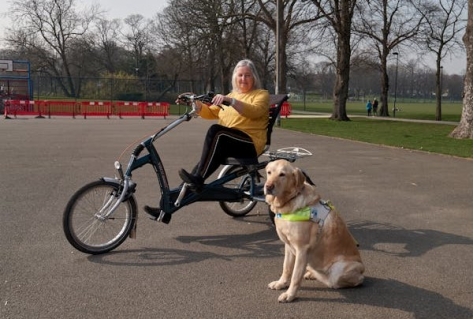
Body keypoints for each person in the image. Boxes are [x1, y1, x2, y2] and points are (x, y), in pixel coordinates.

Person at [178, 59, 270, 191]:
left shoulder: (261, 95)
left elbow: (254, 111)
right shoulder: (231, 95)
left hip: (250, 144)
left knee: (217, 131)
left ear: (254, 77)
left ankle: (198, 179)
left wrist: (231, 101)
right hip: (228, 142)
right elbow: (210, 112)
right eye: (240, 75)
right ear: (235, 78)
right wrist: (195, 103)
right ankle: (170, 203)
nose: (243, 79)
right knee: (202, 164)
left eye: (247, 75)